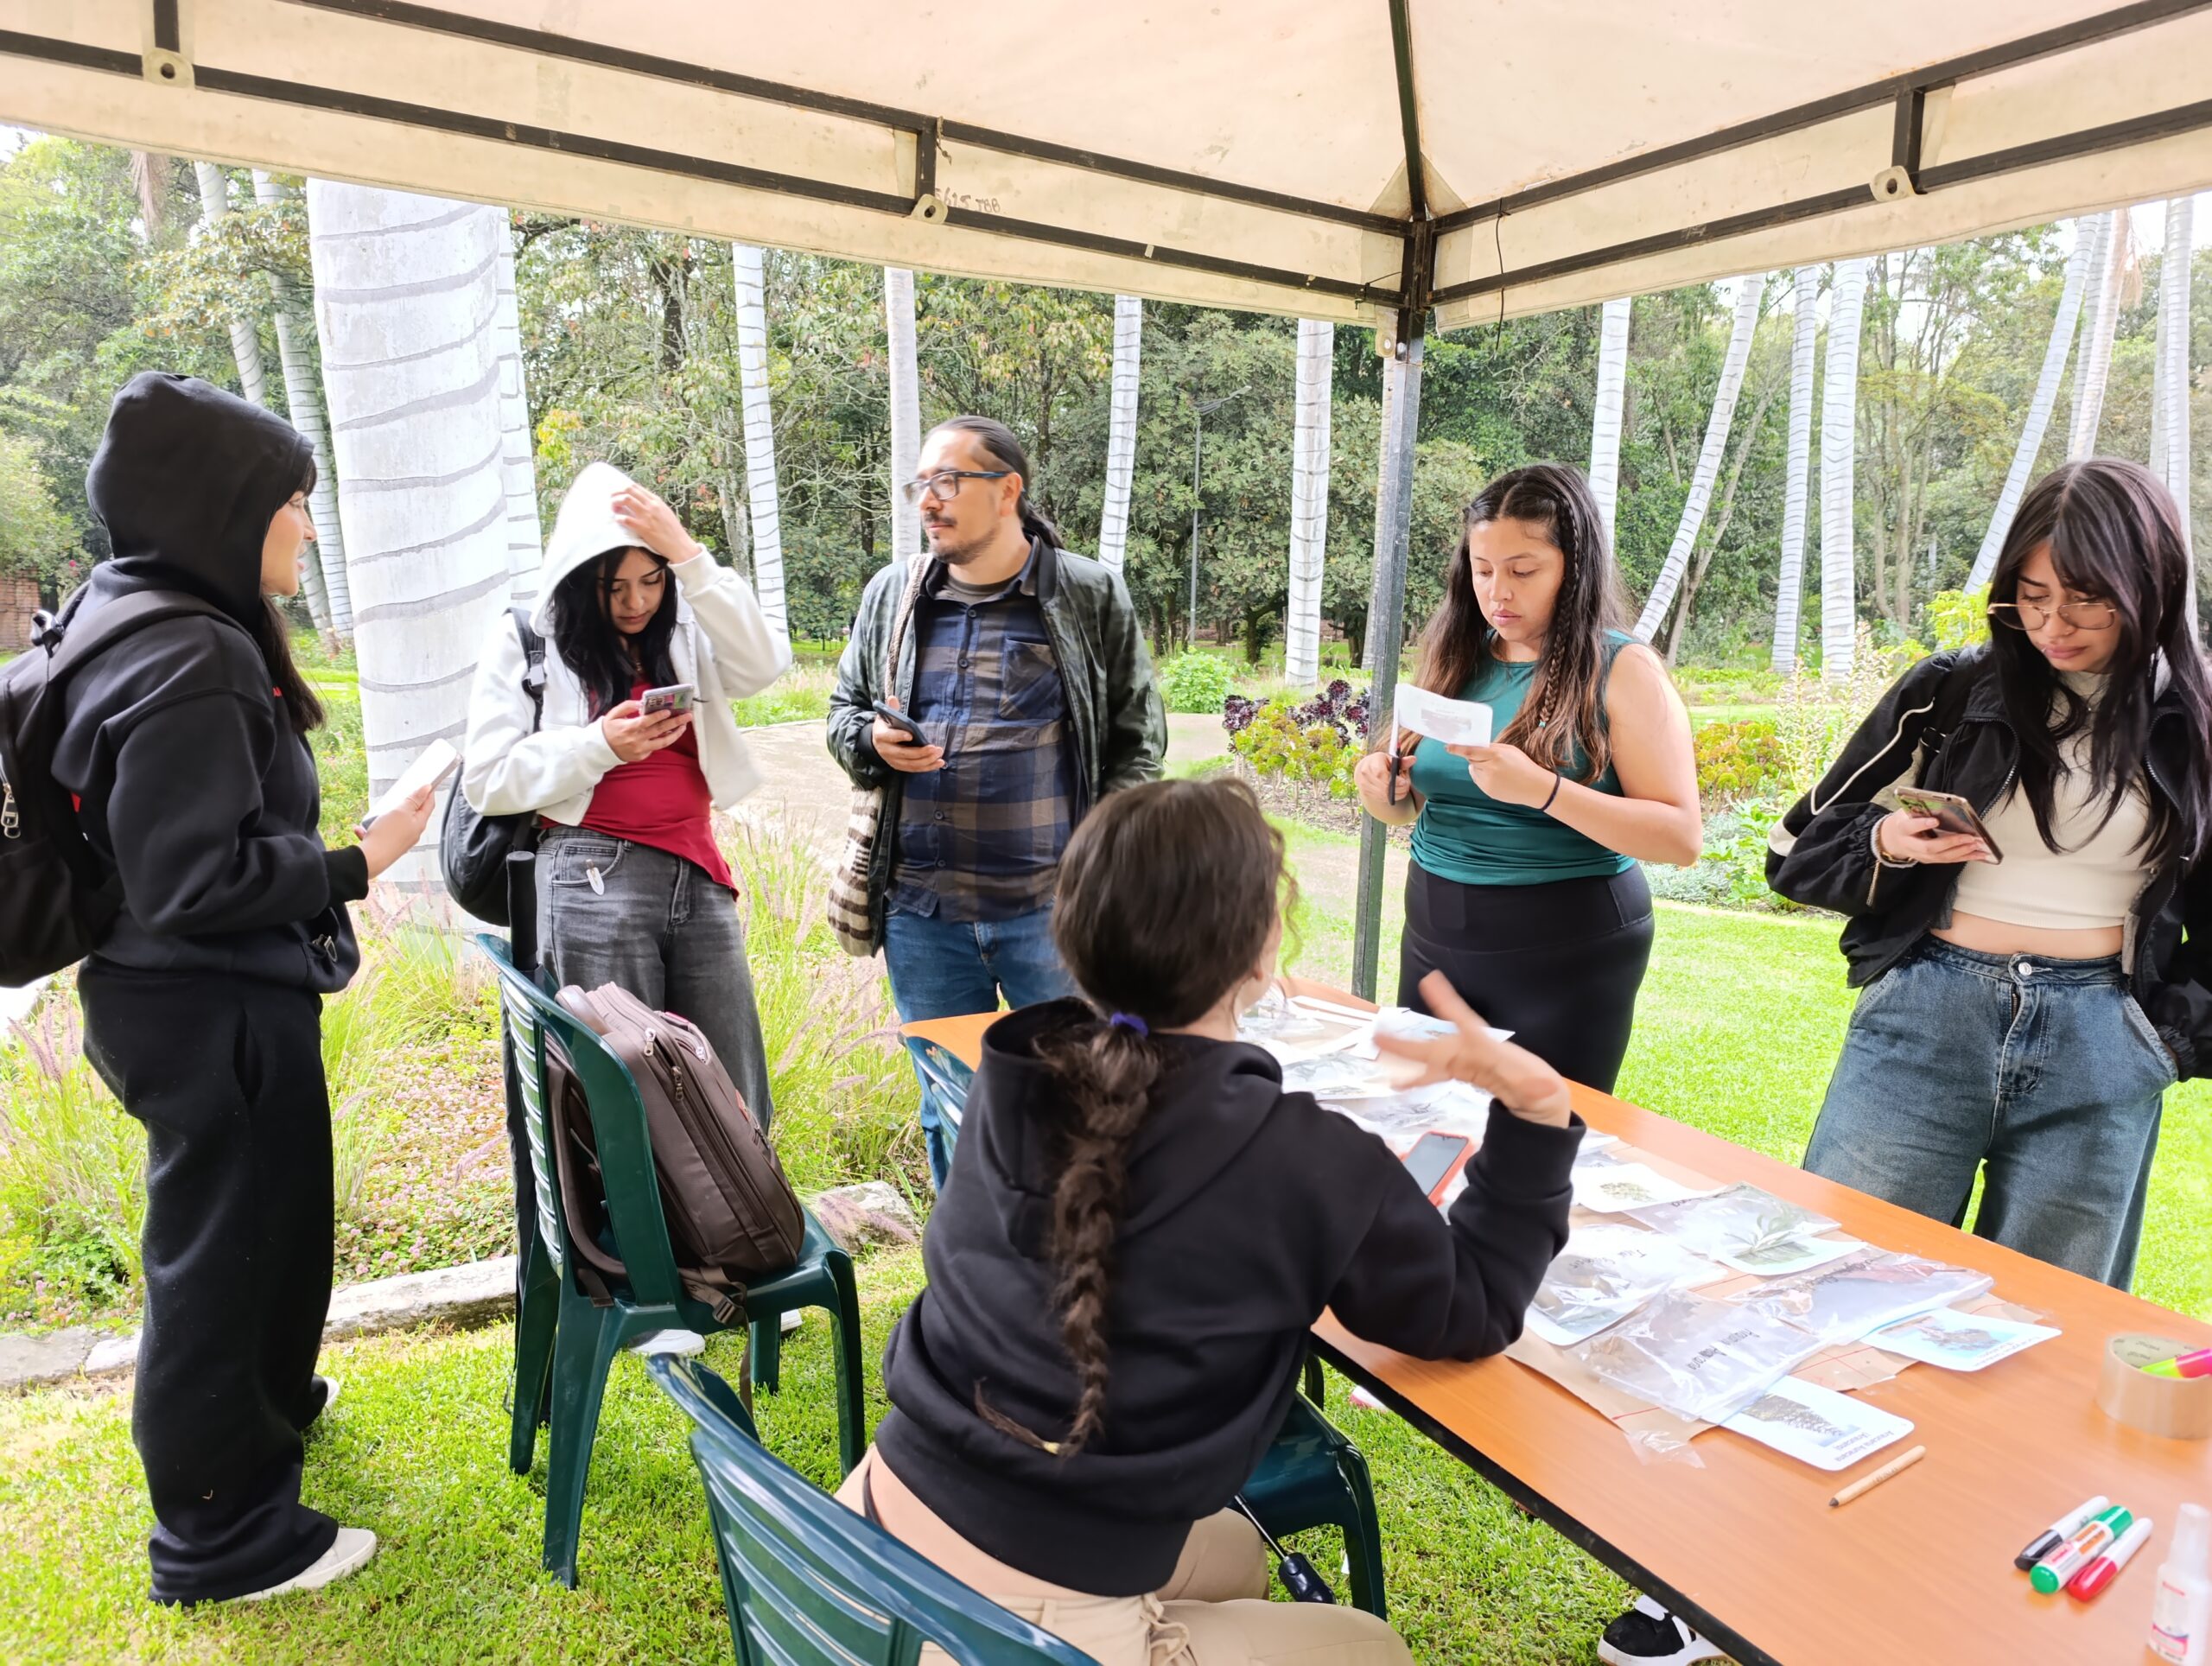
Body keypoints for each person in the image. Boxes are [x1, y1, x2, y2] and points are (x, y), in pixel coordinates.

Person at [842, 775, 1583, 1665]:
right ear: (1265, 949)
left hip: (876, 1516)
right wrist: (1536, 1110)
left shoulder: (1013, 1072)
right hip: (1015, 1625)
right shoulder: (1302, 1159)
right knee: (1369, 1645)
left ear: (1070, 936)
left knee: (1232, 1550)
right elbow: (1471, 1313)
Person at [52, 372, 435, 1604]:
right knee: (220, 1265)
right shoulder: (192, 651)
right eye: (294, 501)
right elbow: (190, 878)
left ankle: (267, 1416)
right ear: (228, 507)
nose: (308, 525)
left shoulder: (131, 613)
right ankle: (220, 1537)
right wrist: (355, 862)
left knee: (258, 1242)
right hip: (204, 1002)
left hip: (176, 1000)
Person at [1770, 458, 2212, 1291]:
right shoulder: (1952, 691)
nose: (2054, 623)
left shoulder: (2197, 719)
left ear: (2150, 580)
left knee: (2047, 1322)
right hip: (1926, 1014)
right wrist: (1890, 843)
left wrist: (2165, 1045)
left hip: (2102, 1035)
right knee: (1841, 1281)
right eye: (2032, 596)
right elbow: (1795, 849)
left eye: (2085, 596)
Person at [827, 416, 1164, 1189]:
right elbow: (843, 712)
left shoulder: (1086, 594)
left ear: (1008, 489)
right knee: (951, 1105)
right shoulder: (894, 596)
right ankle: (968, 1286)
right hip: (921, 919)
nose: (929, 502)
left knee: (1080, 1102)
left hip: (1049, 915)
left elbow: (1136, 746)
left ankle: (1083, 1275)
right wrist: (872, 743)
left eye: (948, 482)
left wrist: (1097, 875)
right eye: (922, 485)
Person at [1351, 463, 1701, 1092]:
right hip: (1435, 929)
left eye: (1523, 570)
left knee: (1535, 1146)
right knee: (1419, 1125)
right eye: (1482, 570)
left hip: (1567, 941)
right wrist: (1387, 794)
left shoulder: (1625, 669)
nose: (1498, 592)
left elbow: (1680, 838)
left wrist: (1543, 789)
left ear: (1575, 567)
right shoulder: (1456, 652)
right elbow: (1415, 804)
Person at [461, 461, 791, 1127]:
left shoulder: (687, 625)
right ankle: (625, 1234)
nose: (637, 602)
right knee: (621, 1088)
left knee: (729, 1082)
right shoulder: (529, 637)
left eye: (651, 580)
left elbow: (764, 665)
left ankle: (743, 1228)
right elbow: (488, 780)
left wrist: (690, 557)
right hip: (589, 875)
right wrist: (602, 745)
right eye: (615, 588)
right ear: (580, 583)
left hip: (696, 869)